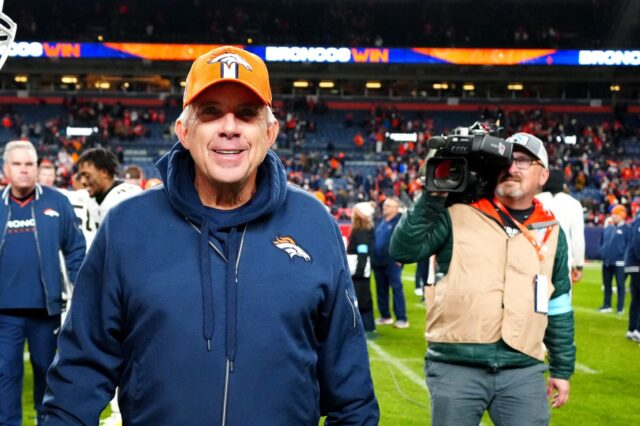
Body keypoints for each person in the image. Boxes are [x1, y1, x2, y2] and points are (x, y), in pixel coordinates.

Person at [43, 45, 379, 425]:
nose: (230, 127)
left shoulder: (314, 223)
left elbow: (352, 395)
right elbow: (78, 378)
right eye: (212, 112)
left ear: (270, 133)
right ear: (184, 131)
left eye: (247, 114)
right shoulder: (128, 226)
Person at [390, 133, 575, 425]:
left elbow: (559, 304)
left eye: (523, 160)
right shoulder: (455, 213)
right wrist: (433, 195)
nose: (512, 167)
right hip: (456, 363)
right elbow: (403, 249)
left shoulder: (552, 231)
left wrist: (562, 370)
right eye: (506, 160)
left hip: (523, 369)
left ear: (544, 175)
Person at [0, 141, 85, 426]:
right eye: (17, 164)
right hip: (4, 312)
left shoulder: (57, 201)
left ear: (37, 168)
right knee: (5, 376)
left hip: (46, 311)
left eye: (29, 164)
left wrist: (82, 292)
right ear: (5, 169)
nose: (24, 170)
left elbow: (75, 250)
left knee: (48, 377)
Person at [536, 168, 585, 283]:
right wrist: (578, 265)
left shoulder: (535, 200)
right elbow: (577, 239)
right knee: (562, 298)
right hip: (563, 261)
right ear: (562, 185)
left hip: (538, 259)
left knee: (537, 299)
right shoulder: (573, 203)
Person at [76, 147, 142, 224]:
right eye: (81, 176)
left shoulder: (127, 195)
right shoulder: (90, 196)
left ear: (104, 172)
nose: (82, 181)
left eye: (87, 176)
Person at [372, 196, 408, 328]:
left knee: (396, 288)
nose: (385, 207)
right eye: (385, 205)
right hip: (378, 261)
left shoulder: (401, 221)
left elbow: (406, 239)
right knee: (381, 289)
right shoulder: (381, 220)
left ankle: (402, 318)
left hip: (393, 261)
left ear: (396, 208)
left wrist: (401, 256)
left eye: (388, 206)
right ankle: (385, 316)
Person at [347, 201, 376, 333]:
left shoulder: (361, 231)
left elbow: (363, 252)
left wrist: (359, 271)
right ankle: (367, 326)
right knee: (362, 298)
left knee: (362, 299)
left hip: (359, 271)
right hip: (360, 269)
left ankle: (368, 327)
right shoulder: (362, 230)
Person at [598, 204, 630, 314]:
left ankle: (620, 307)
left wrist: (625, 259)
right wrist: (602, 252)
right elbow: (602, 242)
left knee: (620, 285)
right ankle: (607, 305)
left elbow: (629, 246)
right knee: (607, 284)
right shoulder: (609, 228)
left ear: (622, 215)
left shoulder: (627, 229)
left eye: (615, 214)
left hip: (620, 263)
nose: (613, 217)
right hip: (606, 261)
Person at [625, 210, 640, 342]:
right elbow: (637, 242)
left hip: (634, 265)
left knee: (636, 299)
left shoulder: (636, 220)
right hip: (637, 265)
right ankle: (638, 331)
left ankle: (632, 329)